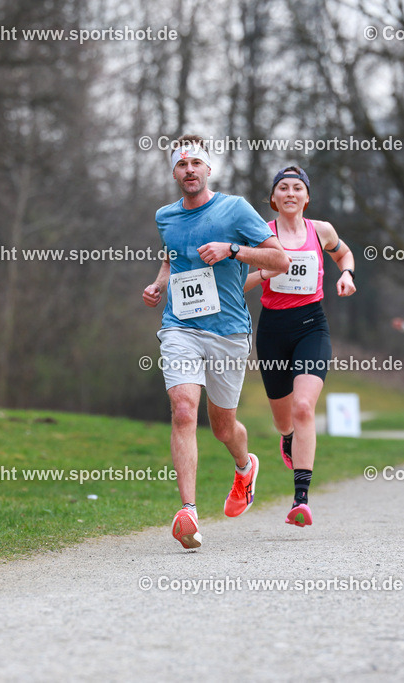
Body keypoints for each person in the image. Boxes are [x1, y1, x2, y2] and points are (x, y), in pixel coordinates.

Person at [142, 135, 290, 550]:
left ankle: (245, 467)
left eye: (196, 163)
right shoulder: (165, 216)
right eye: (181, 164)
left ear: (209, 169)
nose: (189, 169)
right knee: (184, 411)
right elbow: (173, 256)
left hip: (228, 331)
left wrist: (233, 249)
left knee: (223, 427)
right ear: (174, 172)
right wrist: (157, 286)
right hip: (180, 327)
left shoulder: (235, 209)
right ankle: (188, 511)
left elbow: (280, 260)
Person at [242, 166, 356, 527]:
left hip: (312, 328)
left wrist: (347, 275)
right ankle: (287, 437)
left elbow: (344, 254)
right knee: (284, 419)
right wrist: (265, 272)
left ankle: (301, 500)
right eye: (283, 188)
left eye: (297, 188)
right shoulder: (262, 234)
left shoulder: (321, 231)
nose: (290, 193)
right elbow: (237, 284)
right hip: (273, 332)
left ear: (307, 197)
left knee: (304, 407)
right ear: (273, 198)